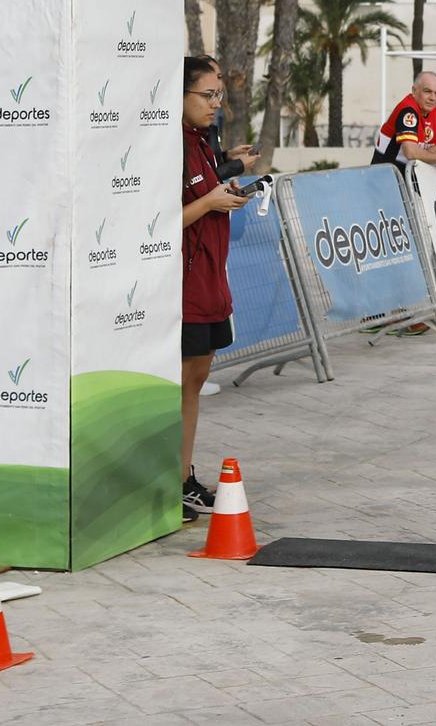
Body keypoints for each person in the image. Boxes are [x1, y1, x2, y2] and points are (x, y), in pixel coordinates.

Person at [181, 55, 250, 521]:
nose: (214, 103)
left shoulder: (204, 141)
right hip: (183, 283)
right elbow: (160, 222)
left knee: (198, 378)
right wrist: (210, 200)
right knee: (182, 382)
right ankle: (170, 480)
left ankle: (181, 478)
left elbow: (207, 195)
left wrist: (227, 179)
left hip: (211, 279)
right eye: (207, 95)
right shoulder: (169, 143)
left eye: (218, 95)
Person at [373, 71, 436, 170]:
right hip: (386, 174)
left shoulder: (433, 110)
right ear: (414, 90)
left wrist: (420, 153)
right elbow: (411, 152)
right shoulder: (408, 110)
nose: (433, 98)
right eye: (427, 91)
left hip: (405, 172)